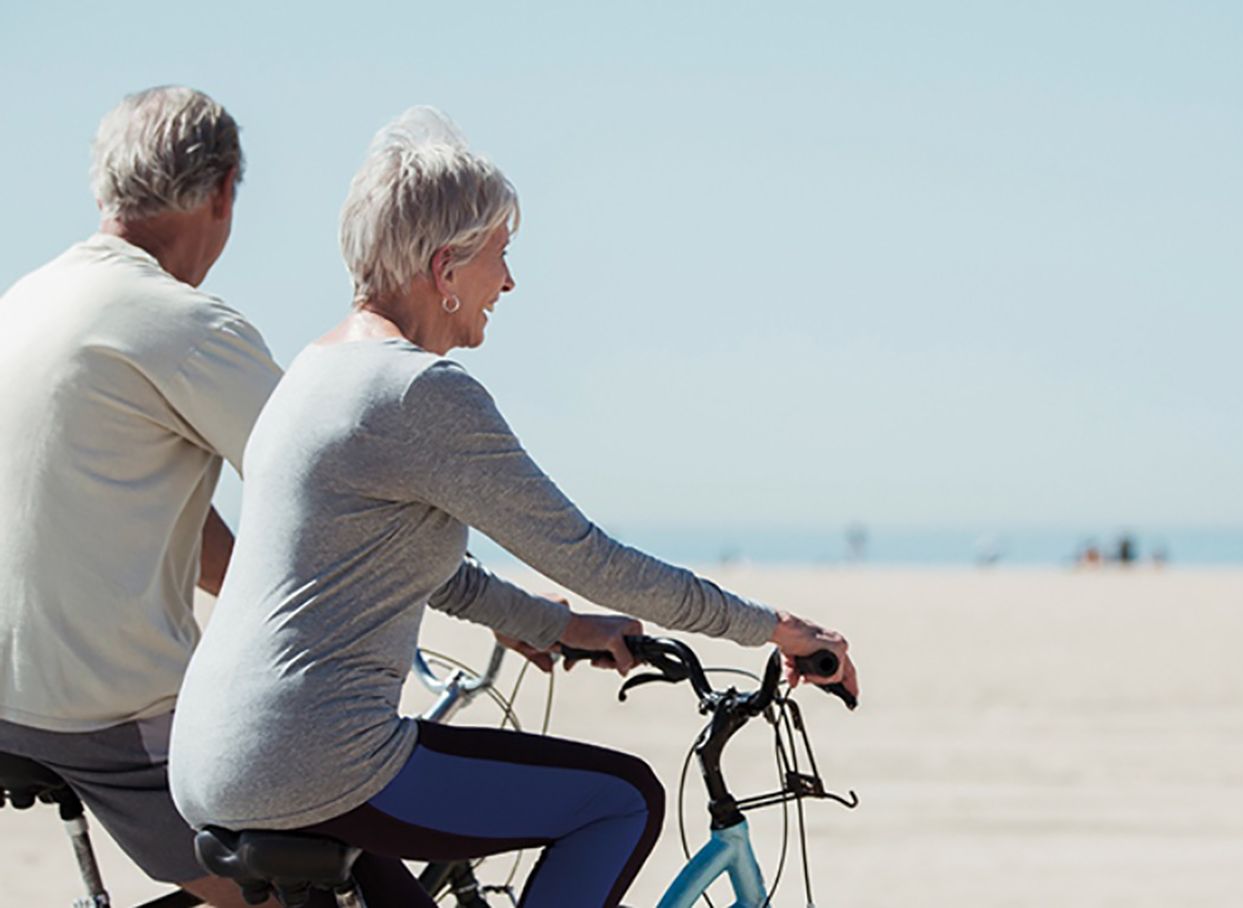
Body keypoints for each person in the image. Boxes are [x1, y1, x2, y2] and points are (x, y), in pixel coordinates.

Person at [169, 107, 858, 908]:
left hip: (215, 758)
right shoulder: (419, 392)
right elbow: (589, 557)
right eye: (501, 256)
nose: (509, 282)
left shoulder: (315, 376)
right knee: (621, 800)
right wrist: (772, 628)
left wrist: (554, 626)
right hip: (320, 762)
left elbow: (422, 567)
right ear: (445, 268)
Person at [0, 87, 282, 906]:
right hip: (101, 711)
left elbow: (132, 508)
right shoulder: (186, 327)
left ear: (103, 190)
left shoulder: (24, 302)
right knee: (308, 884)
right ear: (224, 190)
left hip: (12, 690)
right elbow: (340, 485)